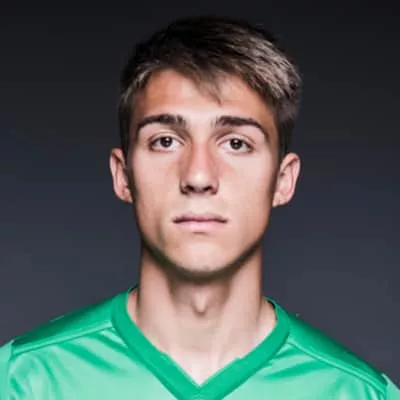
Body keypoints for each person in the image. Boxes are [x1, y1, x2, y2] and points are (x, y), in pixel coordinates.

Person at [0, 15, 398, 400]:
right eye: (165, 141)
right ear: (123, 175)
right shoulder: (23, 382)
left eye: (236, 143)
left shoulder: (358, 394)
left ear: (283, 180)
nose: (198, 175)